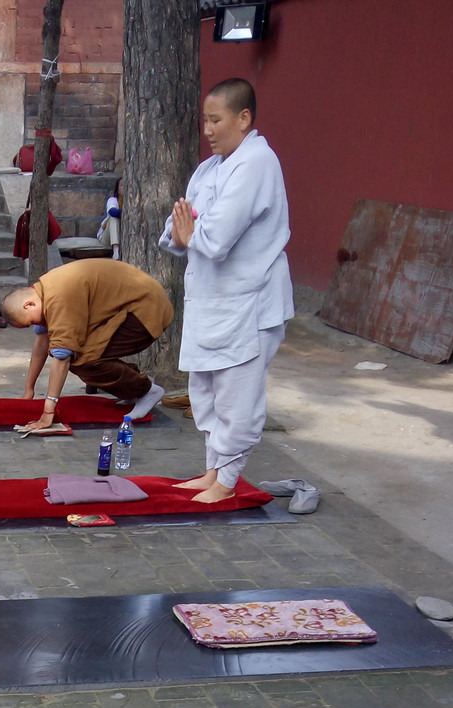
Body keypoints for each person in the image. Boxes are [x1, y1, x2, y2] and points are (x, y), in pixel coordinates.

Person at [159, 77, 293, 503]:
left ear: (244, 118)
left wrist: (191, 232)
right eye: (205, 120)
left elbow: (214, 234)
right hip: (212, 302)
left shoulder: (258, 162)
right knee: (206, 389)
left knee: (239, 394)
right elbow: (179, 227)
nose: (208, 130)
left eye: (216, 120)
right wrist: (188, 233)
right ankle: (213, 469)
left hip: (250, 303)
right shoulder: (210, 168)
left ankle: (229, 480)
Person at [2, 258, 173, 431]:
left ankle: (146, 391)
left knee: (82, 360)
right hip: (131, 305)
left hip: (145, 310)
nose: (35, 325)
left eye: (31, 322)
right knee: (83, 355)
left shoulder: (59, 298)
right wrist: (28, 389)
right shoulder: (43, 291)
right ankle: (136, 386)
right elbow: (42, 342)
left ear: (29, 305)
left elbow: (62, 358)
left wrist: (48, 412)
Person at [97, 177, 122, 259]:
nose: (125, 188)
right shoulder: (113, 200)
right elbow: (113, 212)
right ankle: (116, 250)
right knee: (113, 219)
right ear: (117, 189)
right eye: (122, 185)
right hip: (106, 237)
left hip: (123, 236)